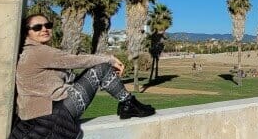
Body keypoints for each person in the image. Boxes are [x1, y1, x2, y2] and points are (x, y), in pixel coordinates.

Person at [15, 13, 155, 121]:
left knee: (96, 70)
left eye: (48, 25)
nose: (44, 29)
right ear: (27, 32)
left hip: (40, 111)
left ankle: (127, 104)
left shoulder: (29, 51)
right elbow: (76, 60)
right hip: (50, 113)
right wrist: (109, 59)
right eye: (37, 27)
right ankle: (128, 103)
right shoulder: (37, 52)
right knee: (102, 68)